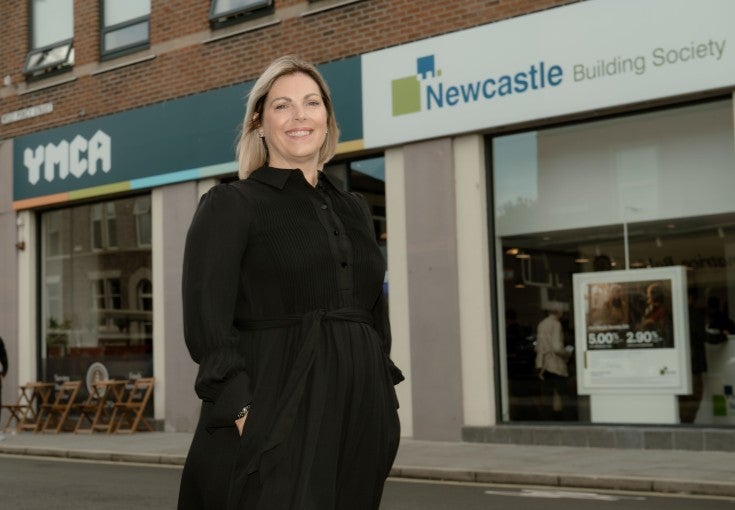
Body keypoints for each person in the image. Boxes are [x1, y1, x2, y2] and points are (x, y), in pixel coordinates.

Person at [177, 55, 403, 510]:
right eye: (283, 105)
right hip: (277, 404)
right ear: (259, 122)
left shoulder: (354, 207)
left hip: (360, 412)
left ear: (327, 119)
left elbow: (374, 310)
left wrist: (380, 394)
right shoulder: (232, 203)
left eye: (311, 103)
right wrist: (242, 412)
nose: (300, 116)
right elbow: (207, 321)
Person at [535, 302, 572, 420]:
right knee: (563, 394)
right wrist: (567, 352)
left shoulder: (542, 324)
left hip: (544, 364)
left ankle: (548, 419)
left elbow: (539, 346)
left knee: (548, 396)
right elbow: (556, 348)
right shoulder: (556, 324)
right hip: (555, 364)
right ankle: (565, 420)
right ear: (559, 312)